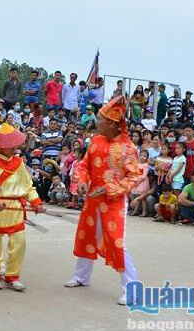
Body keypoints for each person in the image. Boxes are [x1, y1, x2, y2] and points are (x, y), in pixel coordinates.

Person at [64, 96, 140, 306]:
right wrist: (81, 182)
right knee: (87, 235)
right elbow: (84, 165)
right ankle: (81, 276)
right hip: (92, 199)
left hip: (113, 202)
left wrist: (108, 189)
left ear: (113, 124)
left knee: (117, 243)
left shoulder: (127, 148)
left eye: (100, 119)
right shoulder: (95, 140)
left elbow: (133, 177)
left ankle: (132, 289)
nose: (97, 123)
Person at [0, 123, 44, 292]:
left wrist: (36, 202)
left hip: (15, 207)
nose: (14, 147)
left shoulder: (19, 163)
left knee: (19, 243)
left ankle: (13, 275)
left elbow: (28, 186)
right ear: (2, 145)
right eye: (10, 144)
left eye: (15, 144)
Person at [130, 151, 150, 216]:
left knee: (142, 198)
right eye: (141, 155)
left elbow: (144, 176)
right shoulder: (137, 164)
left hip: (142, 182)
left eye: (144, 156)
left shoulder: (145, 165)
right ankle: (136, 210)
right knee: (138, 197)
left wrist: (138, 182)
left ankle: (144, 212)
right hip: (137, 181)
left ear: (147, 158)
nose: (142, 157)